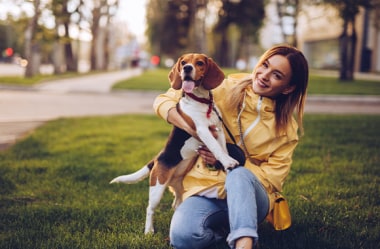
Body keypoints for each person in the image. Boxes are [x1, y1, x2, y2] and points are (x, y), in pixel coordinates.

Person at [153, 45, 309, 249]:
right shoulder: (223, 87)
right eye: (264, 65)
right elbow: (164, 100)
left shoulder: (287, 128)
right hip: (206, 189)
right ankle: (228, 235)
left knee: (237, 174)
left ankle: (244, 243)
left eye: (277, 75)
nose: (264, 75)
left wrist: (233, 160)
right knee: (183, 237)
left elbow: (273, 179)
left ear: (288, 87)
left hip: (253, 199)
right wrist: (191, 128)